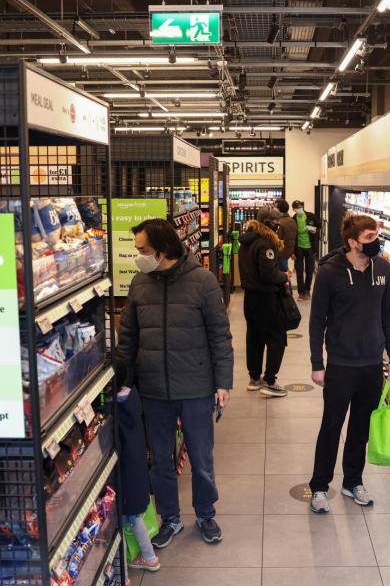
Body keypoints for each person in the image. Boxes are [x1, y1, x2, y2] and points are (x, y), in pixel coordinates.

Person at [117, 218, 233, 549]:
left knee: (201, 457)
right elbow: (128, 338)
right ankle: (170, 518)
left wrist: (223, 381)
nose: (138, 255)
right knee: (160, 461)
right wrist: (123, 382)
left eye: (143, 250)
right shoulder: (140, 283)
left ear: (164, 248)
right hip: (153, 389)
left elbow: (220, 336)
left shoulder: (203, 281)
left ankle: (205, 513)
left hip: (196, 386)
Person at [308, 213, 390, 514]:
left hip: (372, 364)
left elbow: (389, 317)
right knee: (331, 427)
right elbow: (317, 320)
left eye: (377, 236)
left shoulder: (384, 269)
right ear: (352, 242)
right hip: (341, 364)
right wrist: (317, 362)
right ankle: (320, 486)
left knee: (361, 428)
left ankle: (353, 481)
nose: (376, 242)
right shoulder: (329, 272)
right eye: (369, 238)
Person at [238, 206, 290, 398]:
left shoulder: (247, 241)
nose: (277, 225)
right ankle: (270, 381)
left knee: (254, 338)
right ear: (268, 223)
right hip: (266, 299)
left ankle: (254, 378)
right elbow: (268, 274)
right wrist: (283, 276)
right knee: (277, 338)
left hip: (250, 298)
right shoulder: (266, 244)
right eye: (275, 222)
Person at [116, 383, 160, 574]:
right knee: (133, 517)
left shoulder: (118, 415)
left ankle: (149, 558)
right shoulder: (132, 401)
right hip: (138, 472)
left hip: (128, 477)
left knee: (131, 518)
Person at [292, 200, 320, 301]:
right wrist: (292, 252)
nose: (298, 209)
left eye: (299, 207)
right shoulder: (293, 219)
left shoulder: (310, 216)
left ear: (302, 207)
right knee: (299, 271)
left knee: (309, 270)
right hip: (298, 248)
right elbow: (291, 237)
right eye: (296, 208)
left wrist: (311, 228)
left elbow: (319, 227)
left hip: (310, 248)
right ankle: (301, 293)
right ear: (293, 209)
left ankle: (307, 290)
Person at [274, 199, 297, 273]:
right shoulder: (290, 220)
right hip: (284, 252)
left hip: (281, 253)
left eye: (275, 207)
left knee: (283, 274)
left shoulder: (283, 222)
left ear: (279, 209)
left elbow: (280, 238)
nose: (274, 209)